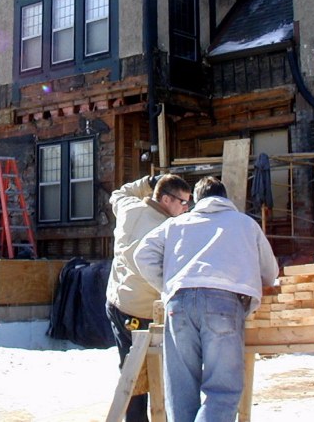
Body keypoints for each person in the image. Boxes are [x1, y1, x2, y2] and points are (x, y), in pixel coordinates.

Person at [133, 176, 279, 422]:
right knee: (222, 389)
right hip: (224, 303)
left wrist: (168, 285)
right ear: (225, 198)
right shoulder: (245, 224)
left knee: (181, 390)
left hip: (178, 305)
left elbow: (142, 254)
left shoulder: (177, 224)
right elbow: (270, 272)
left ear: (196, 201)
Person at [105, 173, 192, 422]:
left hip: (117, 302)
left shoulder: (129, 208)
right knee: (153, 372)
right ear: (166, 199)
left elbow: (118, 193)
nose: (186, 208)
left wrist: (147, 182)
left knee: (130, 367)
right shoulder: (169, 230)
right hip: (144, 311)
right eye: (183, 202)